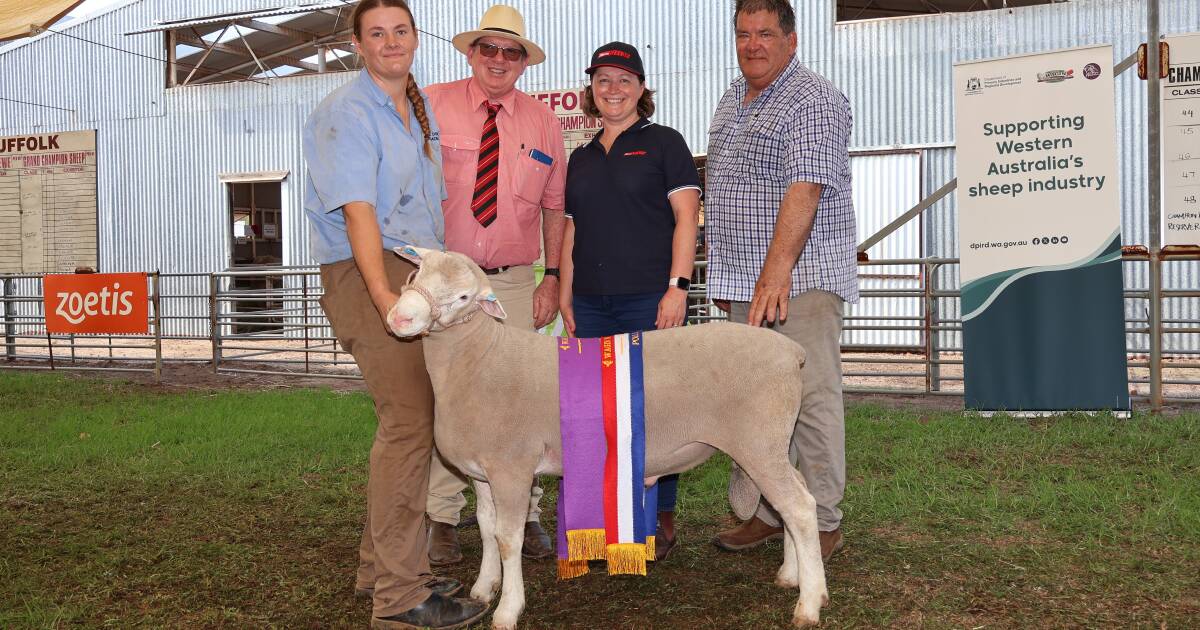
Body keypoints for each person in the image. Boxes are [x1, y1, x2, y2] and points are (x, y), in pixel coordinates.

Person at [302, 1, 487, 627]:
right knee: (409, 425)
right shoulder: (346, 113)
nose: (390, 42)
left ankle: (379, 569)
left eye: (400, 31)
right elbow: (358, 212)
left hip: (414, 272)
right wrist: (383, 296)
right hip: (372, 272)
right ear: (357, 45)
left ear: (414, 38)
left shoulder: (415, 110)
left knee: (413, 422)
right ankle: (400, 598)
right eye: (376, 33)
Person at [704, 0, 858, 563]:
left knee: (812, 397)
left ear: (791, 40)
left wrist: (775, 273)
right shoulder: (733, 97)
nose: (753, 44)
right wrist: (727, 276)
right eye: (743, 34)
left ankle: (821, 519)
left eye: (765, 33)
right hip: (746, 282)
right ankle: (772, 511)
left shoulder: (812, 97)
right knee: (757, 404)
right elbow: (726, 190)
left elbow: (807, 187)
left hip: (799, 278)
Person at [421, 4, 566, 567]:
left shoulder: (543, 122)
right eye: (489, 49)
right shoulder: (431, 105)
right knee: (448, 399)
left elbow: (555, 208)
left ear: (524, 62)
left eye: (512, 52)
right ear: (471, 53)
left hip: (510, 284)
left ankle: (523, 513)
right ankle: (441, 515)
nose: (499, 60)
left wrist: (551, 275)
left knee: (524, 399)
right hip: (446, 284)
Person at [558, 41, 702, 562]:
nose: (612, 89)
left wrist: (677, 288)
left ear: (642, 88)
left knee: (652, 410)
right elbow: (571, 232)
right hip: (592, 305)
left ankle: (658, 519)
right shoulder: (581, 155)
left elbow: (687, 217)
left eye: (623, 79)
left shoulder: (665, 143)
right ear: (591, 92)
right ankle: (600, 524)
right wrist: (567, 295)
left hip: (649, 299)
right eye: (603, 80)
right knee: (591, 414)